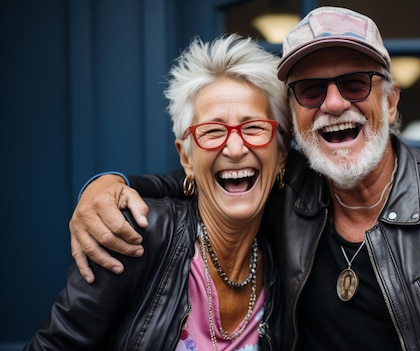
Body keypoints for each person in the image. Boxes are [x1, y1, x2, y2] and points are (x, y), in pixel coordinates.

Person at [69, 6, 420, 350]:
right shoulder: (282, 191)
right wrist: (106, 185)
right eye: (312, 90)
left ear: (391, 99)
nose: (335, 103)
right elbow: (203, 178)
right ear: (294, 117)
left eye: (355, 83)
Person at [26, 34, 290, 350]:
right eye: (213, 131)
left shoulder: (289, 261)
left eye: (254, 128)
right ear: (185, 158)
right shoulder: (134, 235)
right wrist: (105, 183)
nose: (235, 148)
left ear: (282, 154)